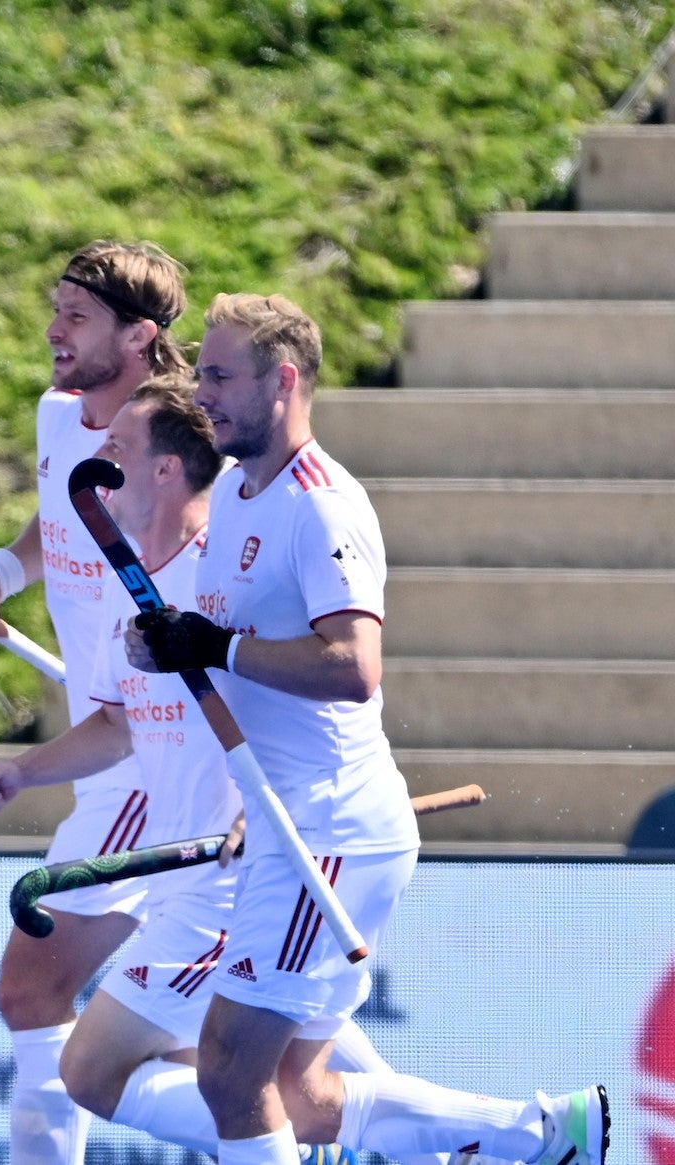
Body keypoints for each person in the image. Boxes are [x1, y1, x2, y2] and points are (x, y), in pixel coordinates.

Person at [123, 294, 605, 1165]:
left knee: (230, 1070)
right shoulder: (233, 492)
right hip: (288, 821)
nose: (205, 394)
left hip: (333, 827)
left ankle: (539, 1134)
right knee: (300, 1095)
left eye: (224, 376)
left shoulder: (324, 506)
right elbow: (230, 642)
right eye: (203, 374)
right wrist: (167, 645)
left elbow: (352, 666)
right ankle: (547, 1131)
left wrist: (218, 646)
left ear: (286, 381)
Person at [0, 378, 454, 1165]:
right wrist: (24, 772)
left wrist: (251, 811)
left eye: (117, 448)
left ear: (163, 471)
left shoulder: (218, 582)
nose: (96, 458)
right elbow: (121, 724)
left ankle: (499, 1133)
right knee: (276, 1083)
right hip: (192, 885)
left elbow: (304, 702)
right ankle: (495, 1137)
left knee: (131, 1071)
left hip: (241, 880)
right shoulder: (138, 593)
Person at [0, 240, 191, 1165]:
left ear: (139, 336)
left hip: (151, 760)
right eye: (56, 309)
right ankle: (499, 1131)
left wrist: (29, 767)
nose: (52, 329)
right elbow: (55, 521)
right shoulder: (59, 417)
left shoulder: (180, 447)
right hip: (109, 744)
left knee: (30, 990)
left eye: (75, 316)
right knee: (246, 1039)